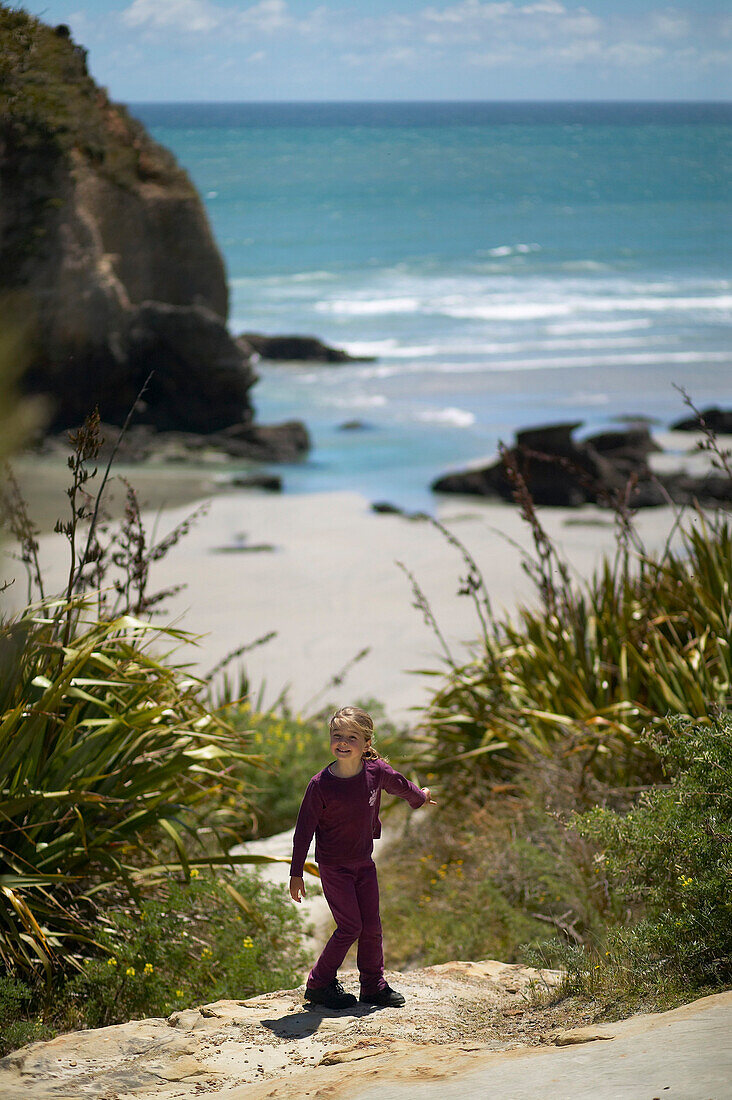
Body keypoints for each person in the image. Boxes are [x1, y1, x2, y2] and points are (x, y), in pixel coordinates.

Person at [289, 705, 435, 1010]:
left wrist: (420, 798)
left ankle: (373, 986)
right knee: (350, 926)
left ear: (366, 743)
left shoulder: (376, 771)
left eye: (351, 737)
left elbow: (401, 785)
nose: (342, 742)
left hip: (364, 864)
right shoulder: (320, 785)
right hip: (333, 866)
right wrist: (296, 873)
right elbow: (303, 830)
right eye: (337, 735)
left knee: (372, 926)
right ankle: (319, 983)